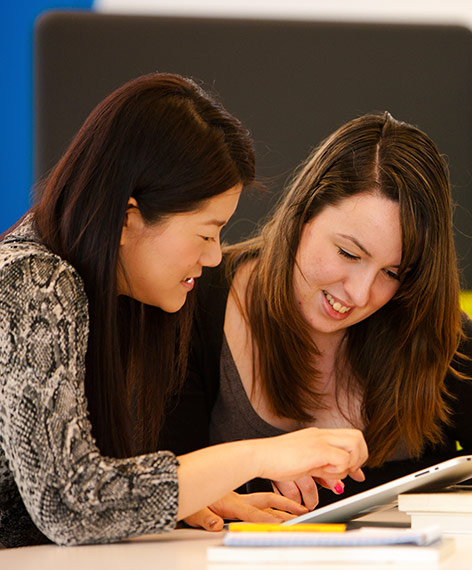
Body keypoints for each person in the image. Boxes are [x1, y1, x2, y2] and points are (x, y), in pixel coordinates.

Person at [0, 73, 368, 548]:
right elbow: (70, 506)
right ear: (128, 220)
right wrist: (259, 456)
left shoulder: (91, 288)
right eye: (205, 233)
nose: (215, 256)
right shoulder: (35, 282)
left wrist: (183, 498)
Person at [161, 112, 472, 526]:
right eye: (349, 254)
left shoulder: (419, 320)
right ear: (304, 214)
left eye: (393, 273)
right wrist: (265, 471)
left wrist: (344, 491)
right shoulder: (194, 302)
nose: (360, 294)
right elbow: (145, 482)